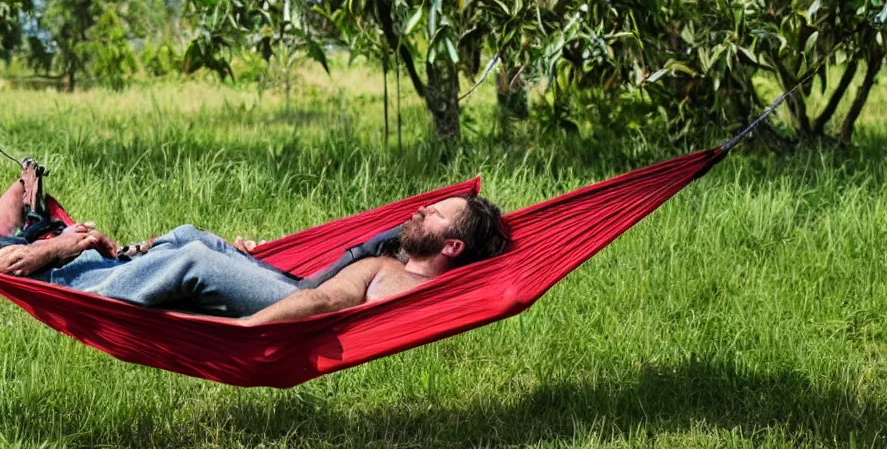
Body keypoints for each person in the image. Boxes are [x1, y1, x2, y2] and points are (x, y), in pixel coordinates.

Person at [0, 162, 511, 324]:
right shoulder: (404, 255)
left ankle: (65, 274)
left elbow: (322, 301)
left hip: (290, 309)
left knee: (194, 258)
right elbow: (320, 279)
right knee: (191, 236)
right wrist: (267, 262)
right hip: (290, 283)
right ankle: (89, 257)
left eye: (435, 214)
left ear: (452, 248)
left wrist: (248, 331)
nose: (420, 211)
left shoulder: (402, 278)